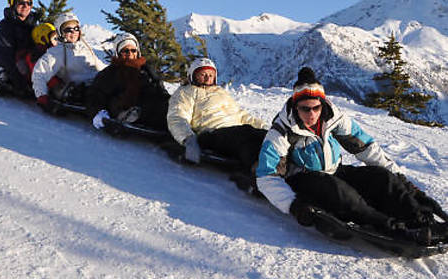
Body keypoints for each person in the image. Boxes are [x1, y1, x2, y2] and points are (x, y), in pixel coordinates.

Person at [256, 67, 447, 245]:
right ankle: (398, 231)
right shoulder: (282, 131)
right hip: (304, 179)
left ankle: (421, 222)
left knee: (381, 178)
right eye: (305, 108)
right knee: (343, 194)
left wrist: (399, 177)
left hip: (334, 170)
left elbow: (365, 147)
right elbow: (266, 177)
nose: (312, 114)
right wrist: (294, 205)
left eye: (316, 107)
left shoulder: (332, 118)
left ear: (322, 104)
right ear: (296, 106)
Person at [167, 57, 267, 171]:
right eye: (202, 74)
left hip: (234, 131)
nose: (207, 78)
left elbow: (242, 115)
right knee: (245, 135)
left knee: (262, 135)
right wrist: (188, 139)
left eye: (210, 75)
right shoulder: (186, 92)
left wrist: (266, 129)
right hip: (211, 133)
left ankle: (283, 164)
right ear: (193, 75)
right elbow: (177, 116)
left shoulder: (220, 92)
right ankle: (259, 170)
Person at [87, 32, 170, 131]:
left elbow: (159, 88)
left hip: (148, 102)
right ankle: (128, 116)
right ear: (118, 53)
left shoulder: (146, 69)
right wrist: (99, 113)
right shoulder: (111, 72)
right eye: (125, 51)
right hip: (124, 107)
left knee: (168, 104)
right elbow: (96, 93)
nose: (130, 54)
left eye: (133, 50)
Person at [32, 13, 106, 111]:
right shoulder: (56, 52)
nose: (73, 32)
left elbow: (101, 67)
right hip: (82, 90)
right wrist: (42, 96)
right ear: (60, 33)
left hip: (99, 82)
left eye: (76, 28)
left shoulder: (85, 48)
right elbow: (39, 74)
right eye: (68, 30)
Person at [0, 0, 39, 96]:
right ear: (12, 3)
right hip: (20, 74)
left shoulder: (34, 28)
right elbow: (5, 57)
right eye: (21, 2)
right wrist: (20, 83)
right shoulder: (3, 28)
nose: (25, 6)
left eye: (29, 2)